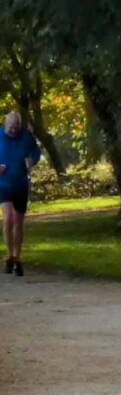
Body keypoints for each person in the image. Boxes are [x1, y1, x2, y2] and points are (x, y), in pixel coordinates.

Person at [0, 111, 41, 277]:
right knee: (8, 218)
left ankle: (17, 257)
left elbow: (36, 153)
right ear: (5, 125)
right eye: (10, 127)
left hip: (21, 184)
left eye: (16, 127)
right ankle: (9, 256)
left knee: (18, 222)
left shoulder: (27, 137)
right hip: (2, 184)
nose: (13, 131)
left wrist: (31, 160)